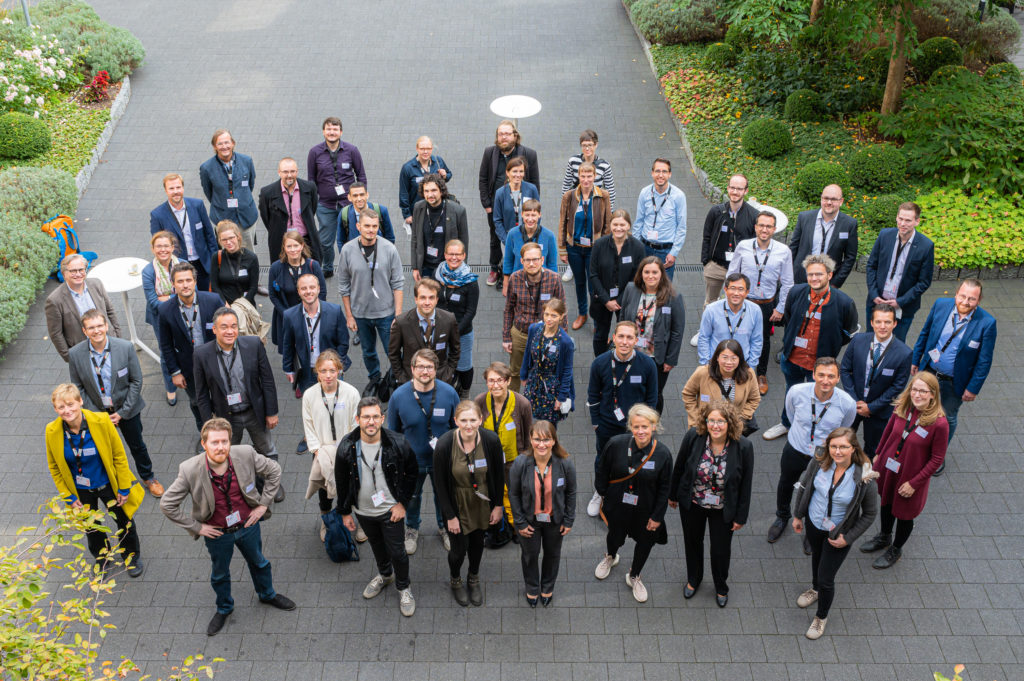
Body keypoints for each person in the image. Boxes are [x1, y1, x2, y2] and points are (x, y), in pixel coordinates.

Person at [160, 418, 294, 637]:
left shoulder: (245, 454)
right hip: (217, 533)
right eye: (214, 442)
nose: (220, 447)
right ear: (204, 444)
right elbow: (167, 504)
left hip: (248, 524)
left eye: (224, 441)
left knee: (259, 562)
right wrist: (196, 527)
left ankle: (267, 594)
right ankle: (224, 608)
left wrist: (262, 505)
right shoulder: (189, 469)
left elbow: (274, 471)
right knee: (220, 573)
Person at [46, 383, 145, 578]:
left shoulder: (101, 421)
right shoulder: (52, 431)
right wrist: (67, 496)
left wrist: (124, 487)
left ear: (80, 401)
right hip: (81, 490)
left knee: (124, 521)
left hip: (109, 485)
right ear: (55, 409)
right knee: (91, 526)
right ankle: (103, 558)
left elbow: (119, 456)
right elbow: (54, 468)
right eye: (61, 407)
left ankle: (131, 556)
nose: (67, 411)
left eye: (70, 404)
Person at [334, 396, 419, 617]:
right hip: (363, 512)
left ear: (382, 418)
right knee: (376, 546)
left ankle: (403, 587)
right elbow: (341, 482)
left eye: (375, 417)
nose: (370, 422)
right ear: (357, 419)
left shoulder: (398, 443)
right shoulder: (346, 446)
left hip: (390, 511)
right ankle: (385, 574)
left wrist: (403, 504)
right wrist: (344, 512)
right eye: (366, 417)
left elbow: (412, 473)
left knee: (398, 552)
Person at [791, 427, 879, 639]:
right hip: (814, 523)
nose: (837, 451)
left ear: (853, 448)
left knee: (826, 577)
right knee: (816, 559)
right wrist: (797, 515)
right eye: (834, 446)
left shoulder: (864, 475)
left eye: (843, 447)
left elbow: (869, 514)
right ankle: (815, 589)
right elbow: (804, 487)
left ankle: (821, 617)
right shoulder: (820, 460)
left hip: (838, 534)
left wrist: (847, 538)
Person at [763, 254, 858, 441]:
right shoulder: (796, 292)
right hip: (793, 358)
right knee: (792, 393)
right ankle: (786, 423)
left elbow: (848, 332)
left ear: (829, 275)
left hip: (820, 365)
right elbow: (789, 319)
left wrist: (832, 344)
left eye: (819, 274)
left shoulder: (845, 302)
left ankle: (812, 428)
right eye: (810, 274)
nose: (814, 278)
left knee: (819, 399)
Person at [669, 400, 754, 608]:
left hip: (723, 509)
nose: (715, 426)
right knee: (692, 542)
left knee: (720, 550)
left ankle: (720, 586)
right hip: (693, 503)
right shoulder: (693, 437)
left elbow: (746, 484)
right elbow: (679, 467)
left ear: (730, 423)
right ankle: (694, 579)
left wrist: (741, 516)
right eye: (711, 421)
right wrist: (673, 495)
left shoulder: (743, 446)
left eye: (721, 421)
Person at [192, 307, 283, 502]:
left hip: (254, 412)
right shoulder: (202, 354)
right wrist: (210, 426)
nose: (230, 331)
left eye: (233, 326)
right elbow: (201, 395)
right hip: (226, 418)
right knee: (227, 454)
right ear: (214, 329)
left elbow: (267, 380)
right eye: (224, 327)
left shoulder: (253, 344)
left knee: (267, 450)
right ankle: (237, 488)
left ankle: (272, 483)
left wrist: (272, 412)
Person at [69, 309, 162, 497]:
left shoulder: (125, 347)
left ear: (106, 326)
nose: (96, 331)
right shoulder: (75, 354)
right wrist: (97, 415)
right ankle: (116, 480)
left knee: (137, 445)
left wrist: (123, 412)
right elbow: (77, 387)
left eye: (99, 326)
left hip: (127, 409)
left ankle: (148, 477)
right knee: (106, 449)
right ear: (84, 331)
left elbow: (136, 381)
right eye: (91, 328)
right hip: (97, 413)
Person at [860, 373, 948, 569]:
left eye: (923, 391)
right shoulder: (902, 406)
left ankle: (896, 548)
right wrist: (878, 455)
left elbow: (936, 459)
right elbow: (888, 432)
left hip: (911, 476)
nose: (917, 395)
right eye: (914, 389)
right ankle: (884, 536)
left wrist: (914, 483)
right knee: (886, 502)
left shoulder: (939, 424)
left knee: (905, 513)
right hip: (889, 468)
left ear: (932, 394)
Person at [768, 357, 857, 547]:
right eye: (822, 375)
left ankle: (811, 527)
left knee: (816, 491)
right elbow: (791, 415)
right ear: (814, 375)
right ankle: (782, 517)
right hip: (795, 448)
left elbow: (844, 428)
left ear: (838, 378)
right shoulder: (797, 392)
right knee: (785, 483)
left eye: (831, 376)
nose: (826, 380)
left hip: (823, 456)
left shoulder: (847, 403)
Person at [594, 404, 673, 603]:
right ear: (630, 426)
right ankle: (611, 557)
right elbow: (602, 470)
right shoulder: (616, 444)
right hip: (619, 505)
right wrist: (604, 493)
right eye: (636, 426)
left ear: (654, 426)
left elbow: (665, 488)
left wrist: (657, 516)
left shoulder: (663, 454)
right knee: (614, 536)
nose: (640, 431)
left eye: (645, 426)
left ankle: (634, 575)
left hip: (646, 510)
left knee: (645, 543)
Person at [911, 278, 996, 456]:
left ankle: (937, 456)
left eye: (972, 299)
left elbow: (984, 361)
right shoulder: (941, 305)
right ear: (956, 294)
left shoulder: (987, 323)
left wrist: (973, 388)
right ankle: (914, 445)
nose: (965, 302)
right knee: (919, 408)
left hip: (954, 383)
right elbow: (925, 333)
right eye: (962, 296)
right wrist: (915, 359)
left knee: (947, 417)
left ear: (978, 301)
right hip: (929, 373)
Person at [387, 349, 459, 555]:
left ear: (436, 370)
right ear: (412, 369)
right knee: (412, 496)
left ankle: (444, 526)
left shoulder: (449, 393)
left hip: (442, 460)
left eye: (429, 367)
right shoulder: (399, 396)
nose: (424, 371)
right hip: (412, 462)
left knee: (442, 495)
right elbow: (393, 433)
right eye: (420, 366)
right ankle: (411, 528)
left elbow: (457, 428)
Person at [433, 400, 506, 606]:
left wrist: (498, 505)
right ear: (455, 421)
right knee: (458, 550)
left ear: (480, 420)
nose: (468, 425)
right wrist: (450, 516)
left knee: (477, 544)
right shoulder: (445, 444)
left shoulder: (491, 440)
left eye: (473, 420)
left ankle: (473, 578)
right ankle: (455, 580)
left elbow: (499, 476)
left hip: (482, 502)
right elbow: (439, 483)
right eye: (463, 420)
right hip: (458, 503)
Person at [586, 321, 659, 517]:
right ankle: (600, 493)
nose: (625, 342)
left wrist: (647, 426)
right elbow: (593, 396)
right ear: (613, 338)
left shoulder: (648, 364)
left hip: (636, 428)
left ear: (637, 340)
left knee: (635, 460)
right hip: (607, 425)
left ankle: (629, 493)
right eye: (621, 337)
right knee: (603, 459)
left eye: (629, 337)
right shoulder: (600, 363)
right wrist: (596, 423)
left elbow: (652, 399)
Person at [508, 420, 577, 607]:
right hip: (530, 520)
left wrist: (569, 520)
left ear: (554, 441)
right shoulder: (521, 463)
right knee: (530, 555)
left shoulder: (564, 463)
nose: (541, 444)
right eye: (537, 439)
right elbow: (513, 494)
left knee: (553, 554)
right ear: (530, 439)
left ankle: (547, 586)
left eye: (546, 439)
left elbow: (571, 492)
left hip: (555, 520)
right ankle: (532, 587)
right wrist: (520, 523)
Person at [726, 210, 794, 395]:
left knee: (762, 339)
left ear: (774, 229)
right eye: (761, 225)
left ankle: (761, 374)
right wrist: (730, 298)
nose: (764, 229)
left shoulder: (783, 251)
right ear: (755, 227)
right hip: (743, 301)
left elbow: (788, 283)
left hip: (766, 303)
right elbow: (732, 273)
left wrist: (780, 308)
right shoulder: (743, 246)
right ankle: (734, 370)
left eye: (769, 226)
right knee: (737, 334)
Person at [282, 273, 351, 451]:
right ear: (298, 292)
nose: (308, 291)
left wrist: (338, 366)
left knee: (335, 404)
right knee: (311, 406)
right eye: (303, 288)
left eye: (312, 287)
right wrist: (288, 369)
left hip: (330, 371)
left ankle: (337, 435)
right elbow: (287, 344)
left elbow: (343, 341)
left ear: (319, 288)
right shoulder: (290, 315)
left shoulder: (334, 311)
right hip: (308, 371)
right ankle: (309, 437)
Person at [338, 210, 405, 383]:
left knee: (394, 351)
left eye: (375, 226)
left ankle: (395, 380)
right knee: (368, 352)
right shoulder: (347, 250)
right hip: (360, 314)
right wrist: (349, 316)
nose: (371, 230)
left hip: (386, 314)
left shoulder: (389, 249)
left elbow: (398, 282)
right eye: (367, 226)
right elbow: (343, 286)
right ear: (358, 226)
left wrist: (397, 315)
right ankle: (374, 379)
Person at [157, 263, 223, 435]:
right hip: (189, 367)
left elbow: (225, 329)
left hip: (216, 362)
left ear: (195, 281)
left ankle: (224, 434)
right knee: (197, 402)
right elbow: (165, 344)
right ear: (173, 284)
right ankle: (205, 434)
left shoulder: (213, 300)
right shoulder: (165, 310)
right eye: (180, 281)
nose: (185, 285)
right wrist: (174, 372)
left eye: (188, 280)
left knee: (221, 398)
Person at [301, 351, 360, 538]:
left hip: (346, 450)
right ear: (316, 372)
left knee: (351, 485)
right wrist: (317, 450)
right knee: (324, 488)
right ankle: (326, 520)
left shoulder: (351, 393)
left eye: (332, 370)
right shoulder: (309, 395)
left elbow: (355, 423)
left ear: (339, 371)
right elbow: (308, 424)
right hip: (321, 452)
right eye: (323, 371)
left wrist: (349, 447)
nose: (328, 375)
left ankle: (355, 519)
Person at [475, 362, 534, 549]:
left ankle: (516, 528)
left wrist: (524, 462)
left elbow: (528, 435)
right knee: (490, 494)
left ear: (508, 381)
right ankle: (495, 525)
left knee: (516, 496)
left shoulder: (522, 404)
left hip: (513, 461)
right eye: (491, 381)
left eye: (500, 380)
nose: (496, 385)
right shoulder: (480, 401)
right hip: (487, 461)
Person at [839, 304, 911, 456]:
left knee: (872, 447)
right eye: (878, 322)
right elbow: (845, 369)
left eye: (887, 322)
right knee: (844, 439)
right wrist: (855, 401)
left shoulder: (904, 353)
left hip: (879, 410)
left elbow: (897, 387)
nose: (882, 326)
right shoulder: (858, 340)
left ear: (895, 323)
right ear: (871, 323)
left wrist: (871, 407)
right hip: (854, 403)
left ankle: (865, 472)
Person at [618, 256, 685, 413]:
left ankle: (653, 421)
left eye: (655, 272)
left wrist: (671, 359)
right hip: (631, 353)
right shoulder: (631, 289)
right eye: (646, 272)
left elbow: (677, 331)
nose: (650, 276)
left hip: (657, 357)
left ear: (662, 274)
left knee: (654, 392)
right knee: (630, 386)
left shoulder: (673, 298)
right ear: (641, 273)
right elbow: (622, 318)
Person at [479, 119, 540, 287]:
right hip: (497, 204)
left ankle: (519, 267)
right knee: (495, 237)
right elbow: (483, 178)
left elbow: (535, 182)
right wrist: (487, 204)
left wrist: (533, 208)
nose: (503, 137)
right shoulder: (489, 153)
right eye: (500, 134)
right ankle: (494, 268)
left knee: (523, 236)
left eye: (507, 134)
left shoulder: (529, 154)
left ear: (515, 135)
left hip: (522, 205)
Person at [865, 202, 934, 342]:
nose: (903, 223)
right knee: (870, 339)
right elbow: (871, 265)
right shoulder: (885, 235)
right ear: (896, 217)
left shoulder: (926, 246)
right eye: (900, 218)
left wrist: (900, 302)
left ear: (917, 221)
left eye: (908, 220)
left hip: (902, 307)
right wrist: (873, 294)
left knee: (896, 344)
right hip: (876, 301)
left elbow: (924, 282)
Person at [502, 242, 567, 392]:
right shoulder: (515, 278)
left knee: (545, 370)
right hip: (521, 334)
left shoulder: (554, 279)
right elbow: (508, 309)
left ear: (542, 260)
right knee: (515, 371)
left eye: (535, 259)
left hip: (547, 334)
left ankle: (540, 402)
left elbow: (562, 311)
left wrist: (562, 339)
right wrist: (506, 337)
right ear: (522, 261)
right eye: (528, 260)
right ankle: (514, 402)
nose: (532, 264)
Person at [308, 116, 366, 278]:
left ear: (340, 132)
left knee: (352, 237)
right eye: (328, 129)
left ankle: (352, 266)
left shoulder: (352, 150)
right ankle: (327, 266)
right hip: (325, 205)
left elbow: (361, 175)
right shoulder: (314, 152)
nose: (332, 132)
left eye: (335, 129)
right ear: (323, 132)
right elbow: (311, 179)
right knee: (325, 241)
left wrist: (361, 198)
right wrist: (313, 202)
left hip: (349, 203)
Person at [558, 162, 613, 330]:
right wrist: (562, 248)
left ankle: (596, 318)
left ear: (595, 176)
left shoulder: (603, 196)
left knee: (593, 285)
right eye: (583, 176)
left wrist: (605, 249)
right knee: (580, 283)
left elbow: (607, 225)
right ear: (578, 176)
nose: (586, 179)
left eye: (590, 176)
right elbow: (562, 223)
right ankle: (582, 314)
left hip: (594, 249)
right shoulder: (569, 196)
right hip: (574, 247)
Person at [698, 174, 758, 318]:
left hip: (738, 269)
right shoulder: (716, 212)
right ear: (728, 188)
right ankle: (705, 331)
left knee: (733, 303)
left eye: (739, 188)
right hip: (716, 266)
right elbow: (706, 236)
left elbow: (754, 245)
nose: (735, 192)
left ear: (746, 191)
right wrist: (706, 261)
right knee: (710, 302)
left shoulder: (753, 215)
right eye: (732, 187)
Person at [589, 209, 645, 356]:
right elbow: (593, 275)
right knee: (600, 334)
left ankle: (623, 358)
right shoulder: (599, 245)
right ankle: (600, 360)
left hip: (626, 301)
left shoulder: (638, 247)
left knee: (625, 334)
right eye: (615, 224)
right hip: (602, 300)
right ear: (610, 225)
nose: (618, 228)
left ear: (629, 226)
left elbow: (636, 278)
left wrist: (619, 300)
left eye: (622, 224)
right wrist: (606, 300)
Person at [45, 254, 121, 362]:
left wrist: (118, 335)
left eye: (81, 270)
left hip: (109, 342)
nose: (78, 274)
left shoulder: (96, 284)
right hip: (84, 352)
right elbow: (56, 334)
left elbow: (110, 311)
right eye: (73, 271)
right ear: (64, 274)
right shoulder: (54, 300)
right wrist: (69, 357)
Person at [149, 173, 217, 291]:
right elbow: (158, 245)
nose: (176, 191)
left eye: (178, 187)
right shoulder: (157, 215)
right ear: (166, 191)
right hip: (178, 265)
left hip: (203, 262)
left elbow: (209, 234)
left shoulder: (197, 205)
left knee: (206, 296)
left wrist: (214, 261)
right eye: (171, 188)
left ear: (183, 188)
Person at [388, 277, 460, 386]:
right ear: (416, 299)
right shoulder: (401, 323)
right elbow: (394, 354)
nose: (427, 302)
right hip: (411, 380)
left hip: (440, 379)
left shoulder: (449, 319)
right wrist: (402, 378)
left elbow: (455, 350)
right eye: (423, 298)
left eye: (431, 298)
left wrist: (448, 374)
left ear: (437, 299)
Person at [681, 339, 760, 433]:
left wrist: (740, 420)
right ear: (717, 358)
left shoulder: (748, 374)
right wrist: (696, 419)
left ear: (740, 359)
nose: (729, 362)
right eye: (725, 357)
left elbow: (754, 399)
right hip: (705, 427)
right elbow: (688, 394)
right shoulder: (703, 373)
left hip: (732, 429)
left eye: (734, 358)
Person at [267, 230, 327, 351]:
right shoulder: (276, 268)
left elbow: (323, 291)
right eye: (289, 246)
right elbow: (273, 295)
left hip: (310, 316)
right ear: (284, 247)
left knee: (311, 350)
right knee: (290, 352)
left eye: (296, 245)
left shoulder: (313, 266)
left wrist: (312, 312)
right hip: (286, 315)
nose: (293, 249)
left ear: (302, 246)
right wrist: (287, 314)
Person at [258, 157, 322, 268]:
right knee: (283, 273)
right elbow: (266, 218)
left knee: (310, 271)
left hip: (306, 239)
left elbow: (312, 209)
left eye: (292, 171)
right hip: (281, 241)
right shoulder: (267, 192)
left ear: (297, 171)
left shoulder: (309, 187)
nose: (289, 175)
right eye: (285, 172)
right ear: (279, 172)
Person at [200, 129, 258, 251]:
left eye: (227, 142)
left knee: (248, 254)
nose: (224, 146)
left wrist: (241, 198)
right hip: (223, 218)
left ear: (233, 143)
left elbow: (250, 185)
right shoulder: (206, 168)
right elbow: (209, 192)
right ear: (214, 146)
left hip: (246, 218)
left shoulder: (246, 161)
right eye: (220, 143)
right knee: (227, 255)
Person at [789, 184, 858, 288]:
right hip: (800, 278)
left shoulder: (849, 224)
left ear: (841, 201)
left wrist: (836, 283)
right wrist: (788, 273)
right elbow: (793, 247)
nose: (829, 202)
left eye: (834, 199)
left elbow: (850, 258)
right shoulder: (804, 218)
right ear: (821, 198)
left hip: (827, 282)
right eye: (826, 198)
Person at [142, 231, 182, 405]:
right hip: (161, 319)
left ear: (173, 247)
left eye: (166, 246)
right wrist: (178, 297)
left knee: (187, 346)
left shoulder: (183, 265)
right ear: (152, 249)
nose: (163, 249)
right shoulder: (148, 272)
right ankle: (170, 387)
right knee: (167, 352)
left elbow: (191, 293)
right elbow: (153, 302)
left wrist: (166, 298)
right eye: (159, 246)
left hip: (183, 315)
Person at [520, 298, 575, 426]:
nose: (549, 319)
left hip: (552, 386)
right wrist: (523, 375)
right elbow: (528, 352)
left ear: (561, 316)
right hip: (534, 380)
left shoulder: (566, 342)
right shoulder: (534, 329)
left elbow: (567, 371)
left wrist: (561, 397)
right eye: (546, 314)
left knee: (549, 426)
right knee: (528, 418)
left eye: (554, 315)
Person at [436, 239, 480, 397]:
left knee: (464, 364)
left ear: (464, 255)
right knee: (443, 361)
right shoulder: (438, 276)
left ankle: (465, 392)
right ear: (445, 254)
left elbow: (471, 312)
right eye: (450, 254)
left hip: (462, 332)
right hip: (440, 330)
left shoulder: (470, 282)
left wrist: (455, 332)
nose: (454, 258)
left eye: (458, 254)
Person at [633, 158, 687, 280]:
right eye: (657, 171)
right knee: (643, 285)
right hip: (645, 248)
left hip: (665, 251)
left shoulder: (678, 196)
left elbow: (681, 227)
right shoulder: (645, 193)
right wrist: (636, 247)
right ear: (652, 173)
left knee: (664, 290)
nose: (660, 175)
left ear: (670, 174)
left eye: (664, 171)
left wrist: (674, 253)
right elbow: (639, 222)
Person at [697, 272, 762, 369]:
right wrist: (706, 364)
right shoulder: (711, 310)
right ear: (725, 290)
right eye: (732, 288)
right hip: (716, 364)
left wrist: (751, 366)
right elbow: (704, 338)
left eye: (741, 289)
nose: (736, 293)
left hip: (742, 365)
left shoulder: (755, 311)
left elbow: (757, 340)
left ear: (747, 292)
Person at [410, 173, 468, 281]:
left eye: (433, 190)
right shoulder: (418, 208)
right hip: (425, 267)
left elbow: (463, 243)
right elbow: (415, 239)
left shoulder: (458, 211)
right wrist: (415, 268)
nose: (430, 195)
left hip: (447, 267)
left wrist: (461, 270)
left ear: (441, 191)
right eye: (426, 191)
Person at [502, 199, 559, 286]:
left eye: (533, 215)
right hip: (518, 282)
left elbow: (552, 264)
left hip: (542, 282)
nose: (530, 219)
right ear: (522, 215)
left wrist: (554, 284)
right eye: (527, 215)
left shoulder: (549, 236)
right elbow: (508, 261)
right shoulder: (512, 234)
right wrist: (506, 284)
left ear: (539, 215)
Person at [399, 136, 453, 226]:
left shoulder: (438, 161)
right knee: (420, 238)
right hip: (418, 212)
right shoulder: (408, 168)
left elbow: (448, 175)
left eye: (428, 148)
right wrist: (407, 214)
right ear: (417, 149)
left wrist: (445, 175)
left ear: (432, 148)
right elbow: (403, 193)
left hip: (438, 209)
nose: (425, 152)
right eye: (422, 149)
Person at [493, 157, 540, 253]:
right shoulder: (500, 193)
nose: (518, 175)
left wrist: (532, 236)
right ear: (507, 172)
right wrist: (507, 241)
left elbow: (537, 213)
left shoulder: (531, 189)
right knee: (510, 266)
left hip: (529, 238)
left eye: (521, 171)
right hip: (508, 239)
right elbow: (497, 220)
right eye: (514, 171)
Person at [560, 129, 617, 210]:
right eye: (584, 145)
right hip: (576, 205)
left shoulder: (604, 166)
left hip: (596, 206)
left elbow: (610, 191)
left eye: (590, 145)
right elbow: (566, 186)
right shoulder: (573, 161)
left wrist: (606, 211)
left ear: (596, 145)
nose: (587, 148)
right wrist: (567, 206)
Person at [210, 220, 259, 305]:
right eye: (224, 240)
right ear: (220, 241)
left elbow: (253, 287)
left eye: (231, 238)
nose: (228, 242)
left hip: (246, 305)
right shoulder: (217, 257)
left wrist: (242, 306)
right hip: (225, 306)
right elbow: (215, 286)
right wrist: (225, 304)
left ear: (238, 237)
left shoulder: (251, 258)